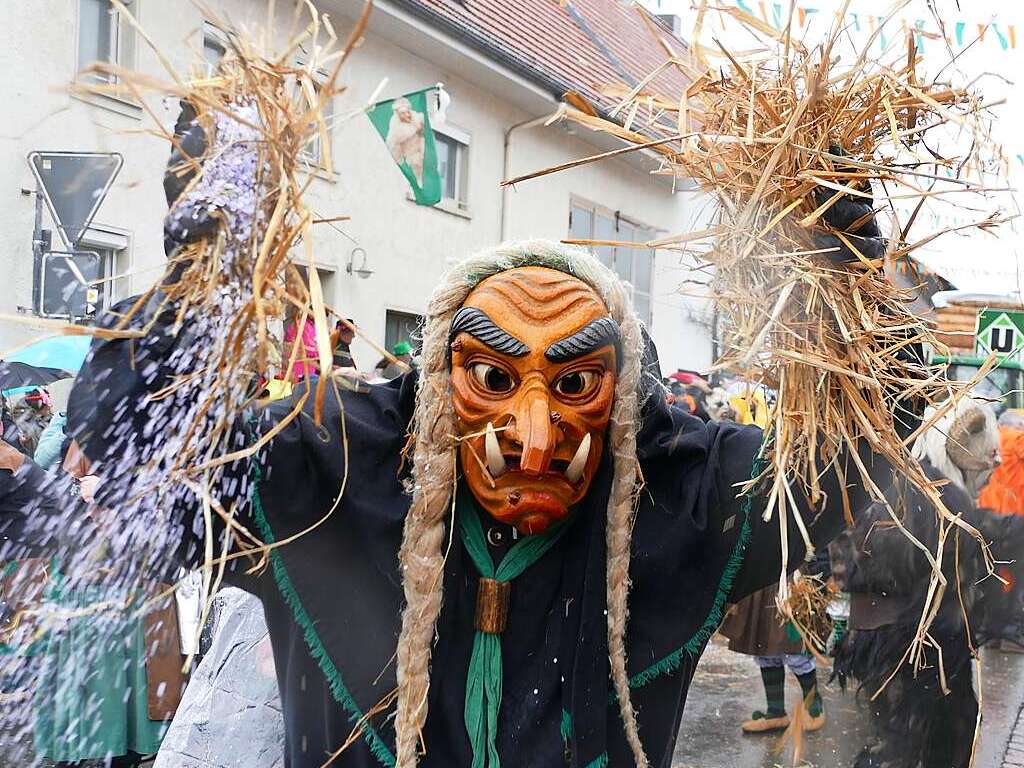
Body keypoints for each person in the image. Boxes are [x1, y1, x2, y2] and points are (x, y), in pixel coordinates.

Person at [53, 99, 926, 768]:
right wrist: (197, 279)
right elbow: (134, 478)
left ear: (626, 405)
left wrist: (842, 267)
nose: (536, 436)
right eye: (495, 379)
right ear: (435, 390)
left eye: (578, 384)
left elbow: (864, 449)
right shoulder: (328, 470)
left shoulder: (675, 500)